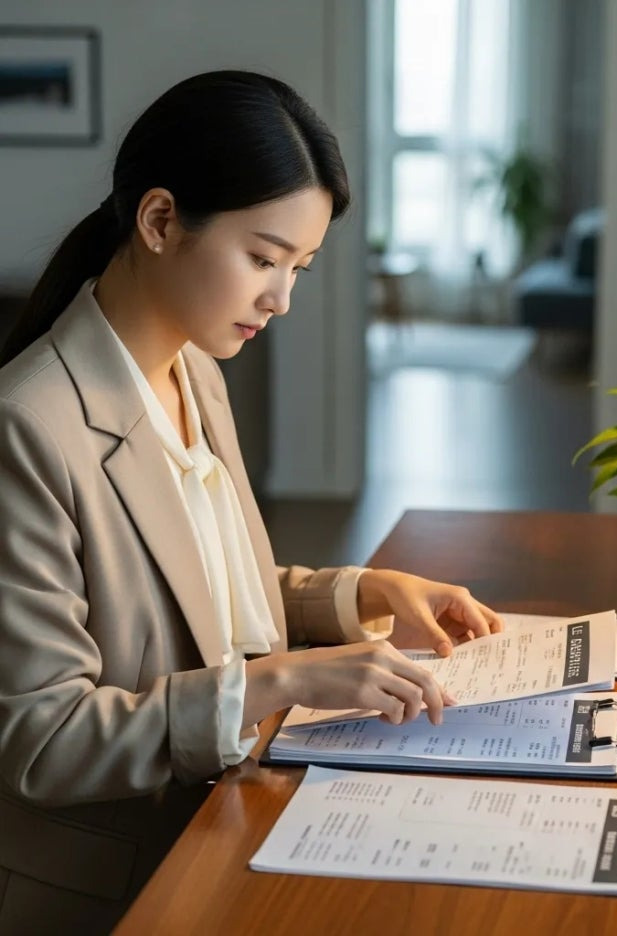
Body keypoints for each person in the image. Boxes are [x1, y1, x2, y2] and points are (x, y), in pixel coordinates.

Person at [0, 70, 502, 934]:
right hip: (124, 888)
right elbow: (44, 739)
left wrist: (365, 594)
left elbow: (189, 594)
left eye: (298, 267)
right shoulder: (30, 426)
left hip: (230, 823)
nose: (282, 298)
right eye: (263, 259)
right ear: (160, 222)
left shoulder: (195, 368)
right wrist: (287, 680)